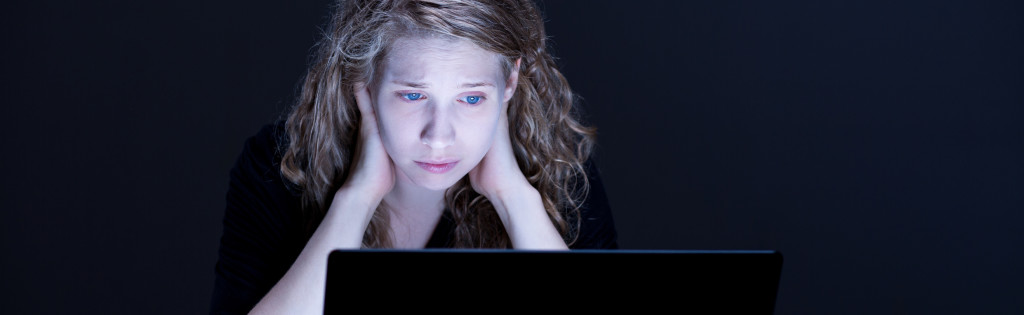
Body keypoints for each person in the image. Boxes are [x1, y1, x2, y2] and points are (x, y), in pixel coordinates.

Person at [210, 0, 618, 314]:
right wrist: (355, 200)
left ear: (509, 82)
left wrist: (514, 197)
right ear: (365, 80)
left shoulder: (562, 173)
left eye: (471, 97)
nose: (438, 137)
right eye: (413, 95)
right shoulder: (279, 168)